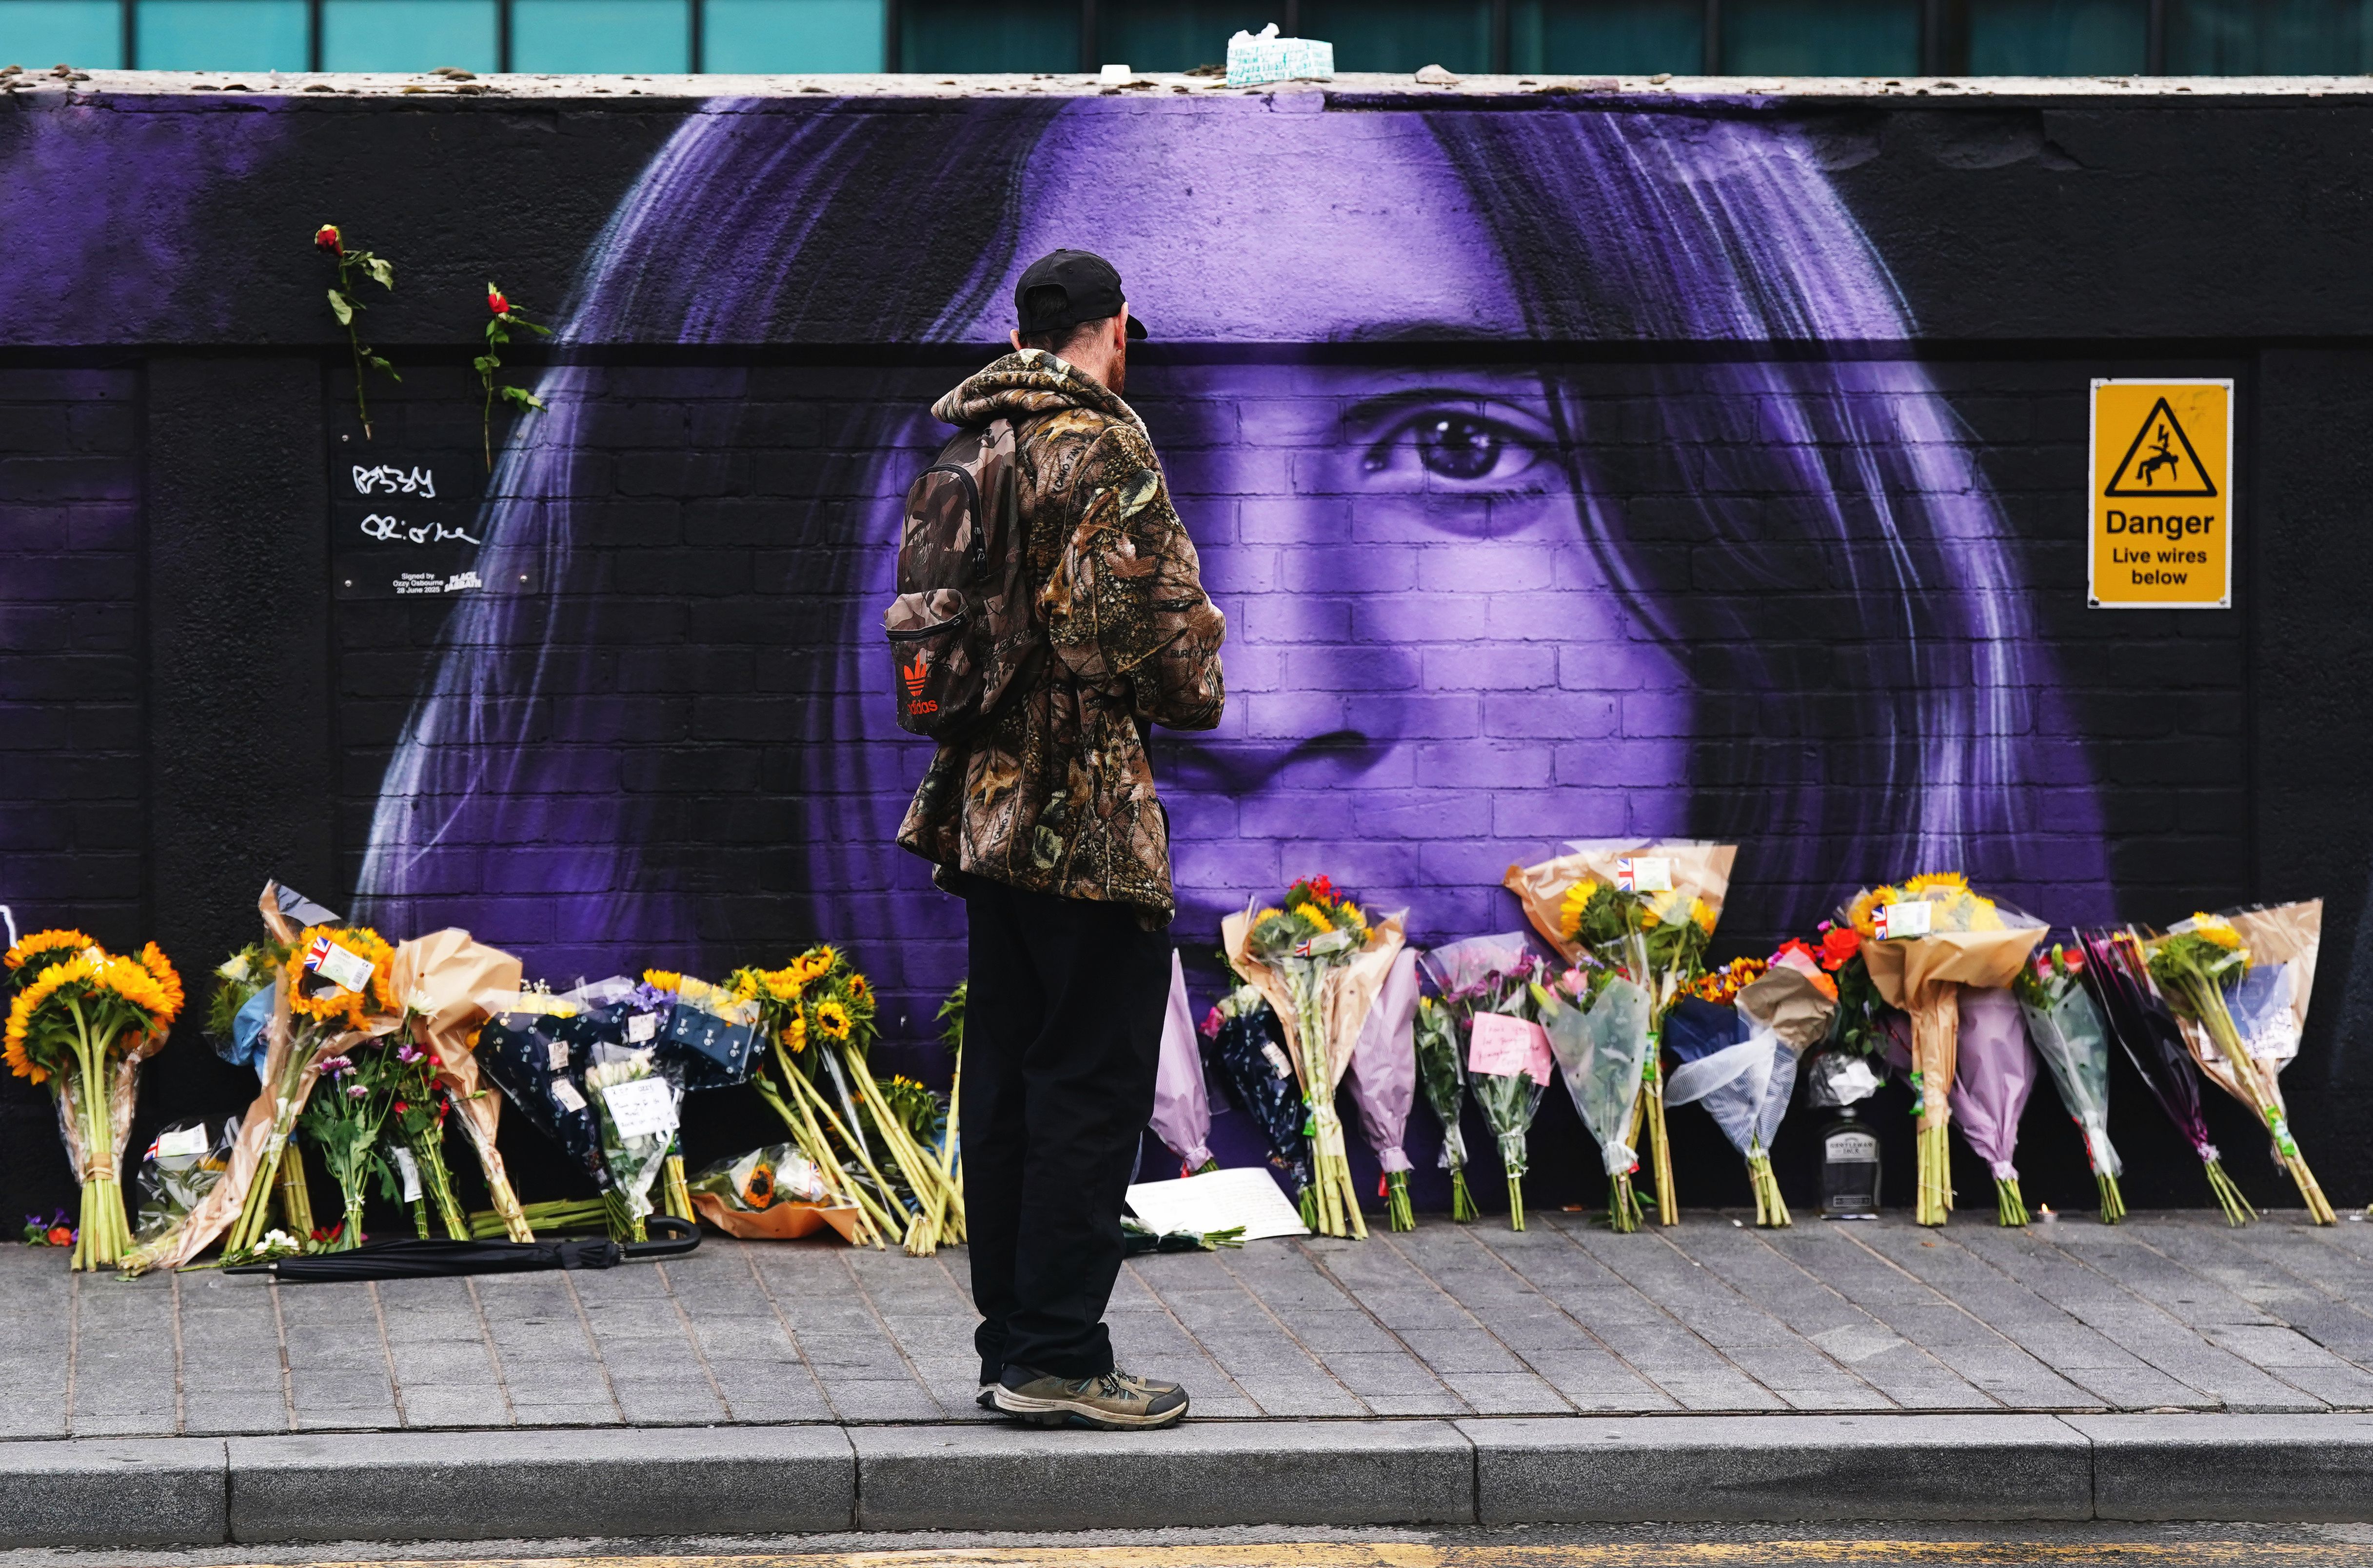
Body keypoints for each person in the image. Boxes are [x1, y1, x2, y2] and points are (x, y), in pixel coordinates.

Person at [897, 248, 1225, 1430]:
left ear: (1021, 336)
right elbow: (1155, 653)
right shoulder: (1104, 448)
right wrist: (1199, 674)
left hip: (984, 819)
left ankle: (1015, 1344)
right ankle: (1063, 1359)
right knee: (1089, 1086)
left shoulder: (971, 447)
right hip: (1087, 823)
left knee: (1010, 1087)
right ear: (1116, 328)